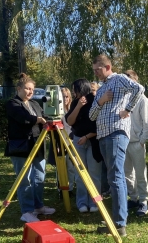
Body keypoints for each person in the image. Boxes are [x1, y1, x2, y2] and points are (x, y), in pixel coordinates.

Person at [89, 54, 144, 236]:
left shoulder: (119, 79)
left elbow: (139, 89)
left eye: (98, 69)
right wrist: (102, 100)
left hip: (116, 133)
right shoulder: (103, 88)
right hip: (104, 135)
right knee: (113, 176)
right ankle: (116, 220)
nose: (96, 73)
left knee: (116, 176)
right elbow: (91, 115)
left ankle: (120, 223)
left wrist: (127, 109)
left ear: (108, 66)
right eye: (94, 70)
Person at [5, 73, 55, 223]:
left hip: (37, 144)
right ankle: (27, 211)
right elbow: (23, 118)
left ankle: (38, 206)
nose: (30, 92)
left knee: (39, 176)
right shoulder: (13, 103)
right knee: (24, 179)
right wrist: (37, 119)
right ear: (19, 88)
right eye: (27, 89)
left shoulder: (34, 103)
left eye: (32, 89)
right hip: (21, 146)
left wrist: (46, 120)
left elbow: (43, 116)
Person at [66, 79, 102, 213]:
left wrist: (87, 137)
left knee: (94, 173)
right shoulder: (76, 102)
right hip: (78, 139)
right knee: (80, 173)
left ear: (81, 89)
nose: (73, 93)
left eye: (75, 90)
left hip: (93, 140)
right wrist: (78, 107)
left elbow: (99, 126)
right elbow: (70, 121)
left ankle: (94, 201)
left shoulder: (95, 101)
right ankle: (81, 202)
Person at [123, 70, 148, 216]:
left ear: (136, 82)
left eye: (130, 82)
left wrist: (142, 141)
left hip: (137, 142)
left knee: (140, 173)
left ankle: (143, 201)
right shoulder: (123, 99)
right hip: (123, 141)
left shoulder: (143, 100)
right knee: (127, 173)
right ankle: (133, 197)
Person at [60, 87, 75, 199]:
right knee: (61, 166)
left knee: (71, 166)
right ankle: (61, 189)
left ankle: (70, 188)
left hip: (72, 141)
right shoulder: (58, 110)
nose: (65, 98)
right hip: (60, 140)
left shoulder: (72, 108)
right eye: (62, 96)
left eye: (66, 96)